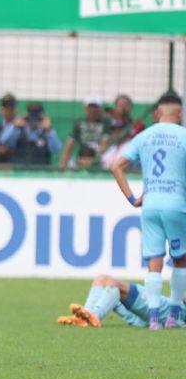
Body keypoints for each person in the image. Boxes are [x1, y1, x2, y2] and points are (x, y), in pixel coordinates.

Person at [111, 92, 186, 330]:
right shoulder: (184, 136)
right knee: (180, 260)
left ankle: (154, 319)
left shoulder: (144, 136)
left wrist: (133, 198)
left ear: (156, 114)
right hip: (176, 203)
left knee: (154, 261)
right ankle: (173, 315)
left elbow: (116, 166)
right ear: (180, 114)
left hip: (150, 203)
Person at [58, 274, 183, 328]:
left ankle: (94, 316)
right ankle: (86, 317)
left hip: (168, 312)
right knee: (101, 279)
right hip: (150, 312)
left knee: (116, 286)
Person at [59, 97, 112, 169]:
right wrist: (62, 165)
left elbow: (105, 143)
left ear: (100, 109)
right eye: (90, 107)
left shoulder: (105, 123)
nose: (92, 110)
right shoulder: (79, 123)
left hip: (98, 156)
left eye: (95, 107)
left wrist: (94, 160)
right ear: (85, 108)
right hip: (81, 155)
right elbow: (70, 143)